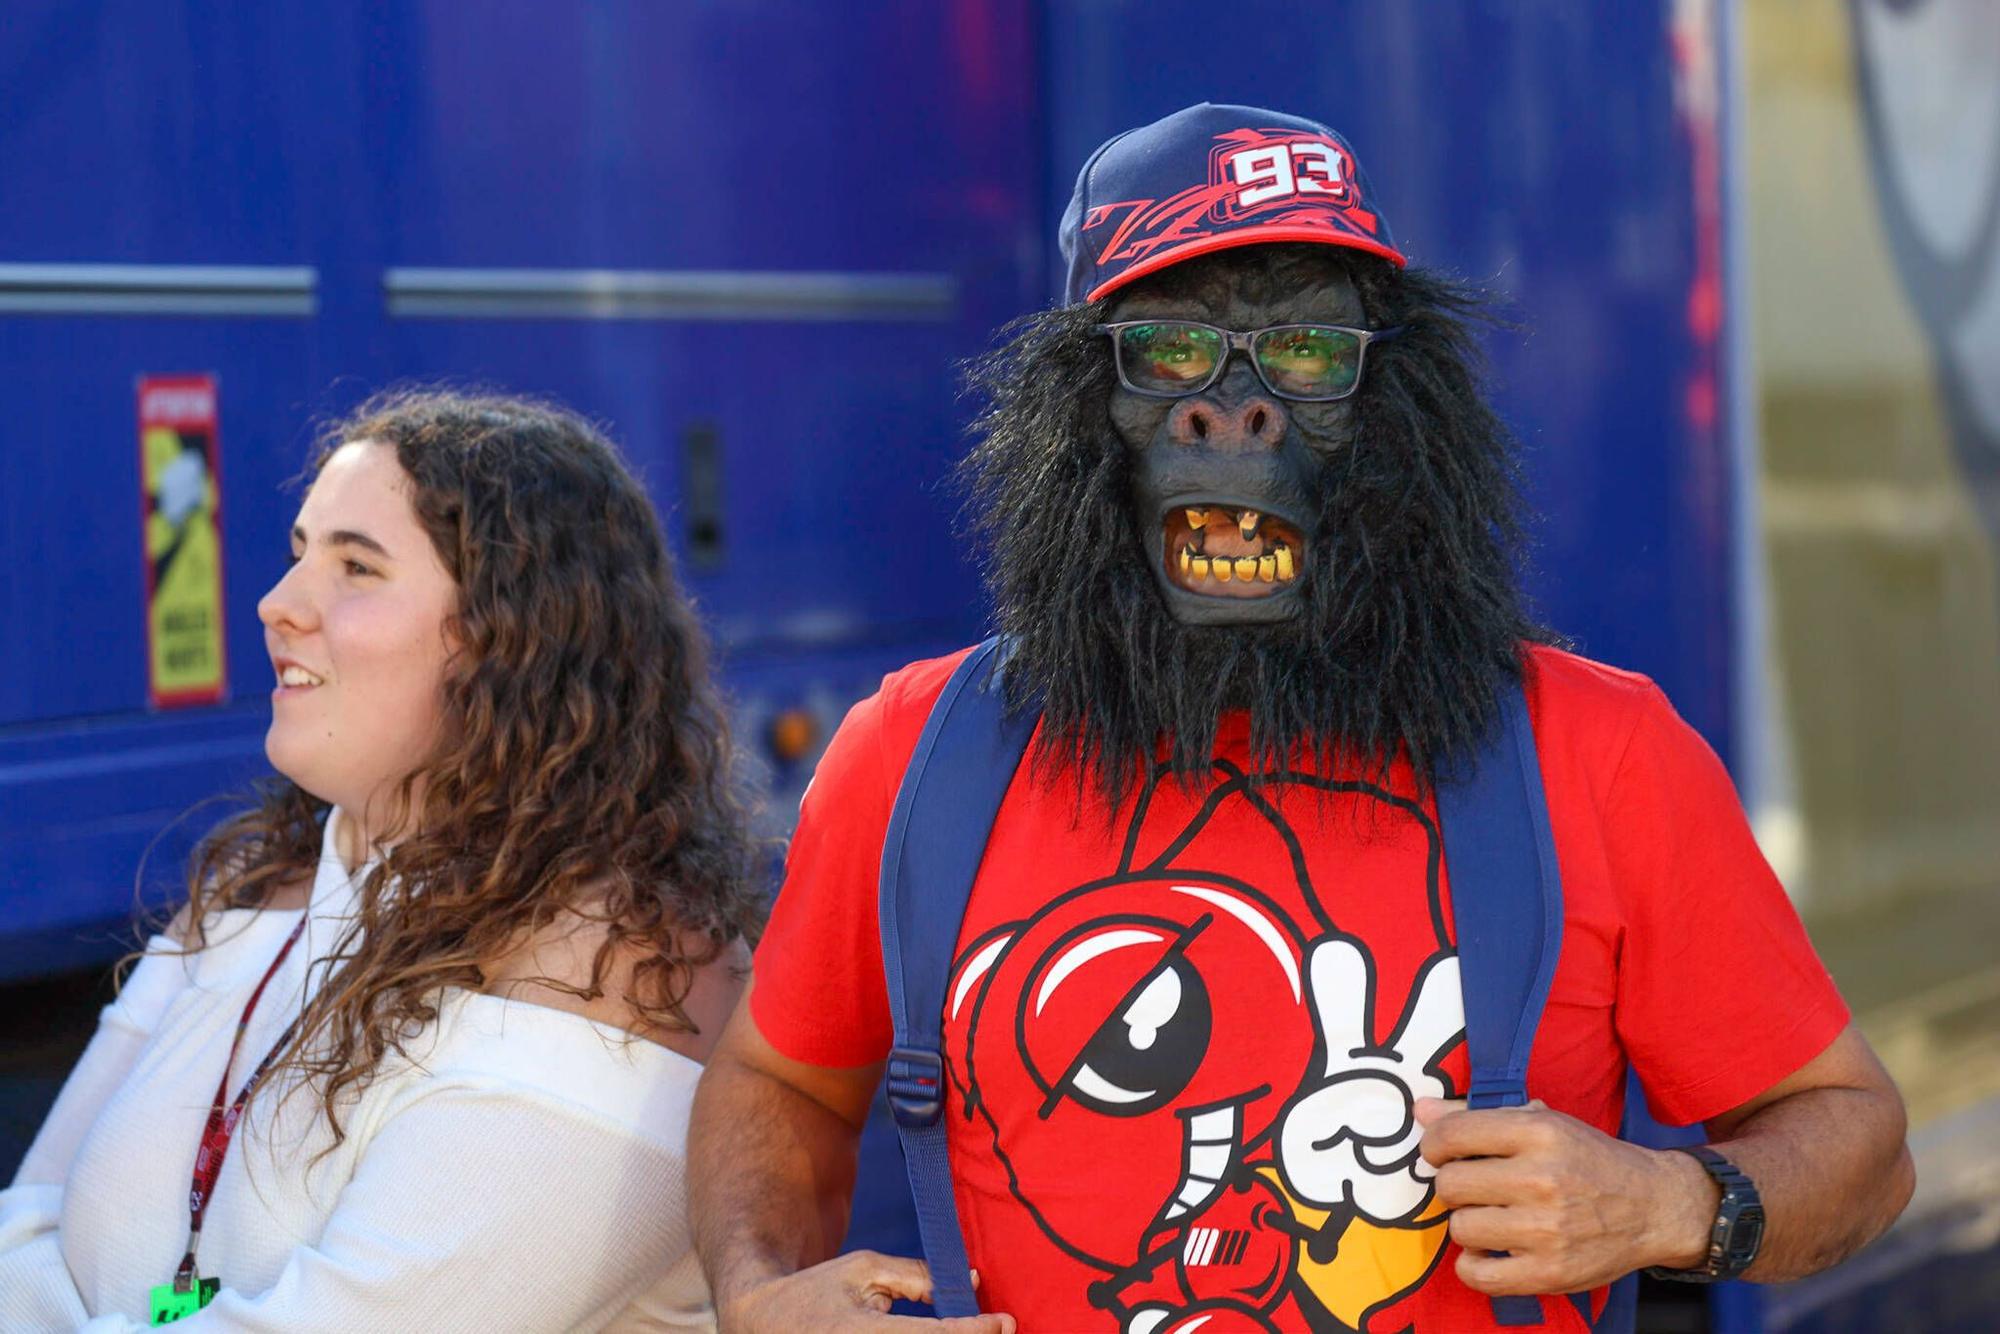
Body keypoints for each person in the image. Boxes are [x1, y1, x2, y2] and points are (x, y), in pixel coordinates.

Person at [686, 104, 1914, 1333]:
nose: (1236, 409)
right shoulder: (913, 755)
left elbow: (1857, 1133)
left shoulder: (1598, 751)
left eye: (1310, 354)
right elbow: (776, 1076)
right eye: (1166, 353)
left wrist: (1668, 1203)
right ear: (1070, 418)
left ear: (1400, 415)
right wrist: (756, 1287)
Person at [0, 390, 764, 1330]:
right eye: (297, 555)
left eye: (356, 566)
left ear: (511, 638)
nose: (277, 606)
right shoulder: (250, 896)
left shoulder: (625, 967)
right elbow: (20, 1230)